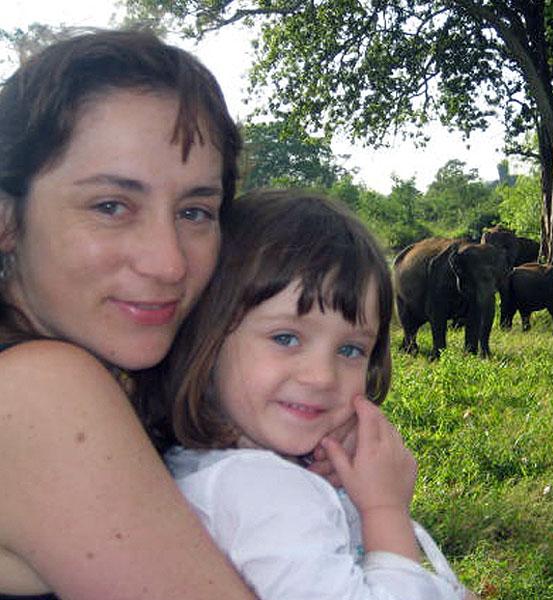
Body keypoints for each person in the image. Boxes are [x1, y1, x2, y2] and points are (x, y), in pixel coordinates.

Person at [0, 29, 344, 599]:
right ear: (8, 219)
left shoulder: (117, 382)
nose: (168, 263)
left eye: (195, 211)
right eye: (111, 206)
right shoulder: (40, 388)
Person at [158, 189, 475, 600]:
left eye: (350, 349)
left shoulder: (201, 467)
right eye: (286, 337)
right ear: (205, 338)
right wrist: (384, 511)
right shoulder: (265, 490)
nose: (323, 377)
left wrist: (339, 488)